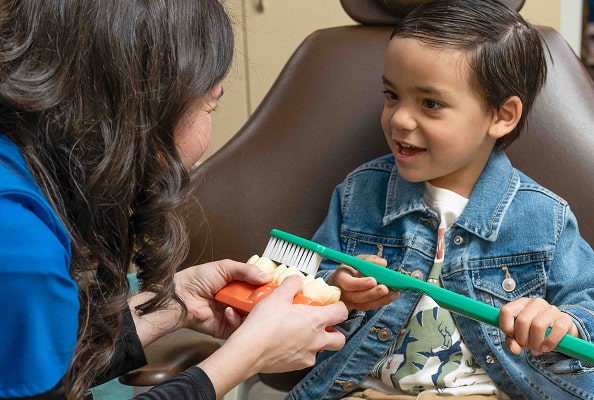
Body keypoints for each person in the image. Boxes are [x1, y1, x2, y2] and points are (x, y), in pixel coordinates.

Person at [0, 1, 348, 399]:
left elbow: (37, 371)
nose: (209, 134)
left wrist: (173, 306)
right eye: (210, 104)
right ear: (144, 109)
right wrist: (246, 356)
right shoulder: (22, 254)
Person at [286, 0, 594, 399]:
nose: (399, 118)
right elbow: (303, 284)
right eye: (391, 95)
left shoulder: (544, 217)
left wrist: (563, 324)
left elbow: (591, 306)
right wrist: (335, 287)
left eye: (430, 104)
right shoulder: (358, 194)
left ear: (502, 116)